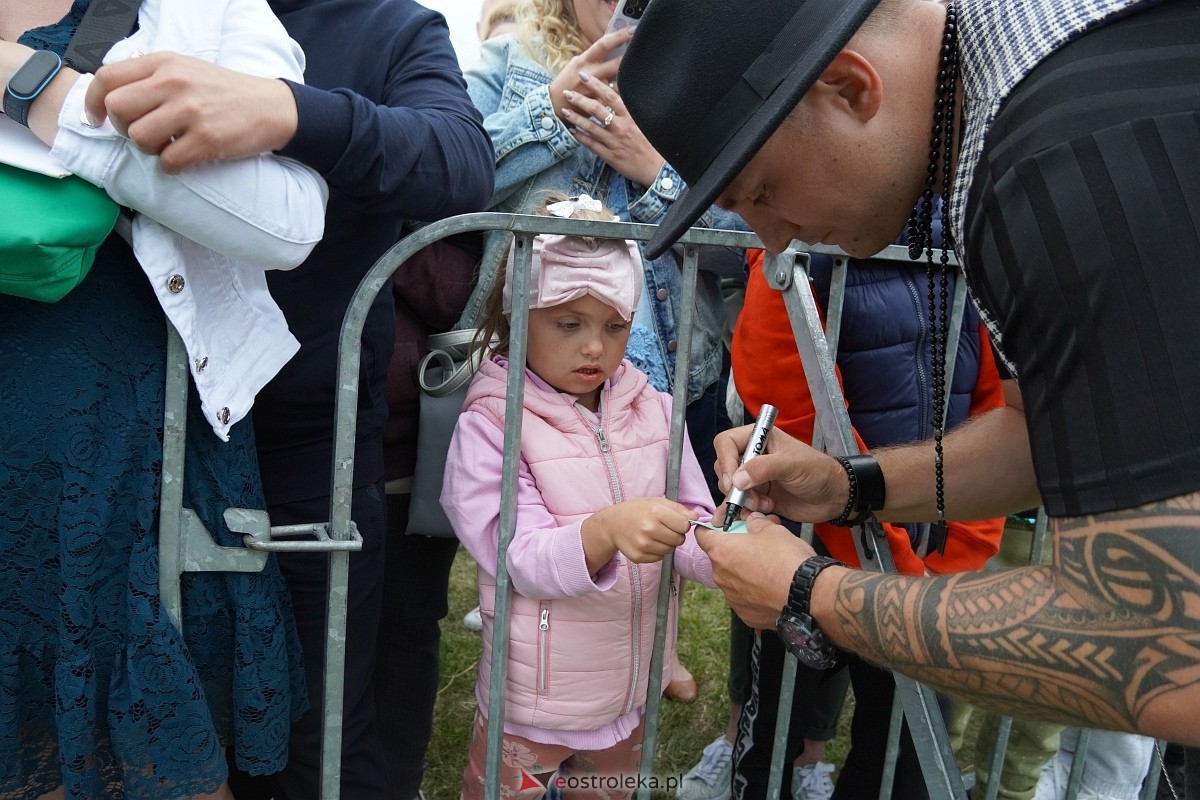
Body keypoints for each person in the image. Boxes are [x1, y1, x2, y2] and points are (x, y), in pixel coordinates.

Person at [617, 0, 1200, 751]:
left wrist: (811, 591)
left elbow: (1169, 652)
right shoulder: (1035, 90)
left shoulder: (1053, 162)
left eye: (762, 192)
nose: (774, 237)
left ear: (853, 88)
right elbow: (1034, 433)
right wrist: (848, 484)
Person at [86, 1, 496, 797]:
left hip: (315, 445)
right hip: (130, 435)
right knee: (144, 727)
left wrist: (285, 111)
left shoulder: (391, 26)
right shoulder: (128, 8)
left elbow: (459, 160)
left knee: (316, 732)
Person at [0, 0, 328, 797]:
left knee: (152, 753)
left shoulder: (198, 7)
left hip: (119, 457)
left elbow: (287, 224)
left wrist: (32, 87)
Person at [462, 0, 746, 703]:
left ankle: (652, 650)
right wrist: (546, 115)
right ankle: (536, 675)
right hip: (539, 370)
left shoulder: (697, 84)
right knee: (549, 524)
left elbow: (744, 242)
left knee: (655, 512)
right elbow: (451, 182)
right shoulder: (512, 60)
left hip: (666, 366)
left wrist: (659, 174)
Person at [708, 225, 1006, 800]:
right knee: (774, 730)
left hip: (931, 560)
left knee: (907, 754)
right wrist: (878, 552)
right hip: (810, 550)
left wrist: (959, 543)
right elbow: (791, 401)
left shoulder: (975, 231)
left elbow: (995, 409)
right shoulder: (798, 233)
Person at [441, 194, 717, 800]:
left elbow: (692, 523)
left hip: (628, 686)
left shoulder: (656, 408)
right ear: (519, 315)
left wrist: (731, 546)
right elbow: (515, 551)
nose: (595, 346)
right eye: (569, 324)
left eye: (615, 326)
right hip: (534, 701)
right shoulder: (495, 422)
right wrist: (606, 531)